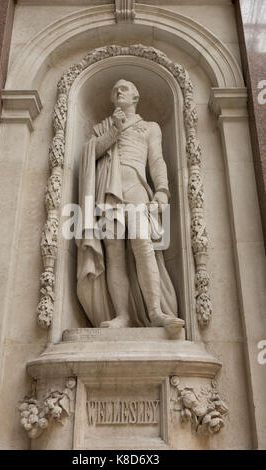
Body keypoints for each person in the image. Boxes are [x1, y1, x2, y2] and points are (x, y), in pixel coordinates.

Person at [76, 79, 184, 333]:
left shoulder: (150, 127)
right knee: (114, 253)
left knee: (143, 244)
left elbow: (156, 160)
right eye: (114, 89)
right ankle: (122, 315)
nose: (118, 91)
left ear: (136, 96)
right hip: (108, 191)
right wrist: (114, 131)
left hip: (136, 188)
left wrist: (162, 190)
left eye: (124, 88)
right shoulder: (103, 126)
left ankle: (155, 311)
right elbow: (88, 155)